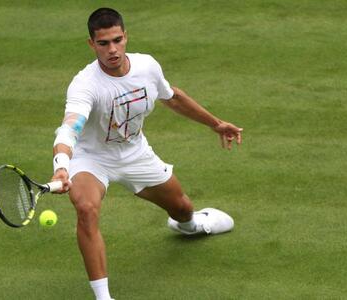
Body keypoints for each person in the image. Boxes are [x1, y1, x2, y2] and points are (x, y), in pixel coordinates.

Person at [50, 8, 243, 300]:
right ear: (92, 44)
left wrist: (216, 124)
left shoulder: (147, 66)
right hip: (91, 158)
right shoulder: (85, 85)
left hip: (135, 153)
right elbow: (69, 128)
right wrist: (63, 165)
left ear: (126, 36)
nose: (112, 49)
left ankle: (191, 225)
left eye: (117, 40)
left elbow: (173, 97)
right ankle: (104, 297)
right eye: (103, 43)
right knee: (86, 209)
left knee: (181, 207)